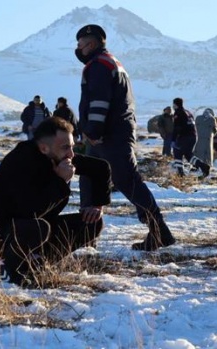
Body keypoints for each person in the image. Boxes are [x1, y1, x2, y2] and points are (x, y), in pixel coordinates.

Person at [0, 117, 111, 286]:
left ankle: (36, 262)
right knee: (38, 227)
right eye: (66, 148)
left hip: (31, 229)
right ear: (44, 148)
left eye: (73, 147)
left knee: (92, 223)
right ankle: (8, 269)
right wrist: (60, 181)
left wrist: (97, 205)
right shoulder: (21, 162)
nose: (71, 154)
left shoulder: (58, 157)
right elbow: (29, 211)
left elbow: (101, 168)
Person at [74, 24, 176, 251]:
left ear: (90, 44)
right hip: (111, 133)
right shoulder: (110, 62)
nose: (78, 49)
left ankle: (160, 232)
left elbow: (100, 101)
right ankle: (86, 234)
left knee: (126, 180)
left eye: (80, 44)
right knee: (90, 179)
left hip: (109, 135)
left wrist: (93, 131)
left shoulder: (99, 64)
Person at [170, 98, 211, 177]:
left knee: (177, 152)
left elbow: (177, 128)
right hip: (193, 136)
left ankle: (180, 173)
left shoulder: (178, 113)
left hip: (184, 137)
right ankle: (203, 166)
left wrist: (173, 139)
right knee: (188, 155)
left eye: (173, 104)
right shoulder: (188, 112)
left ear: (175, 104)